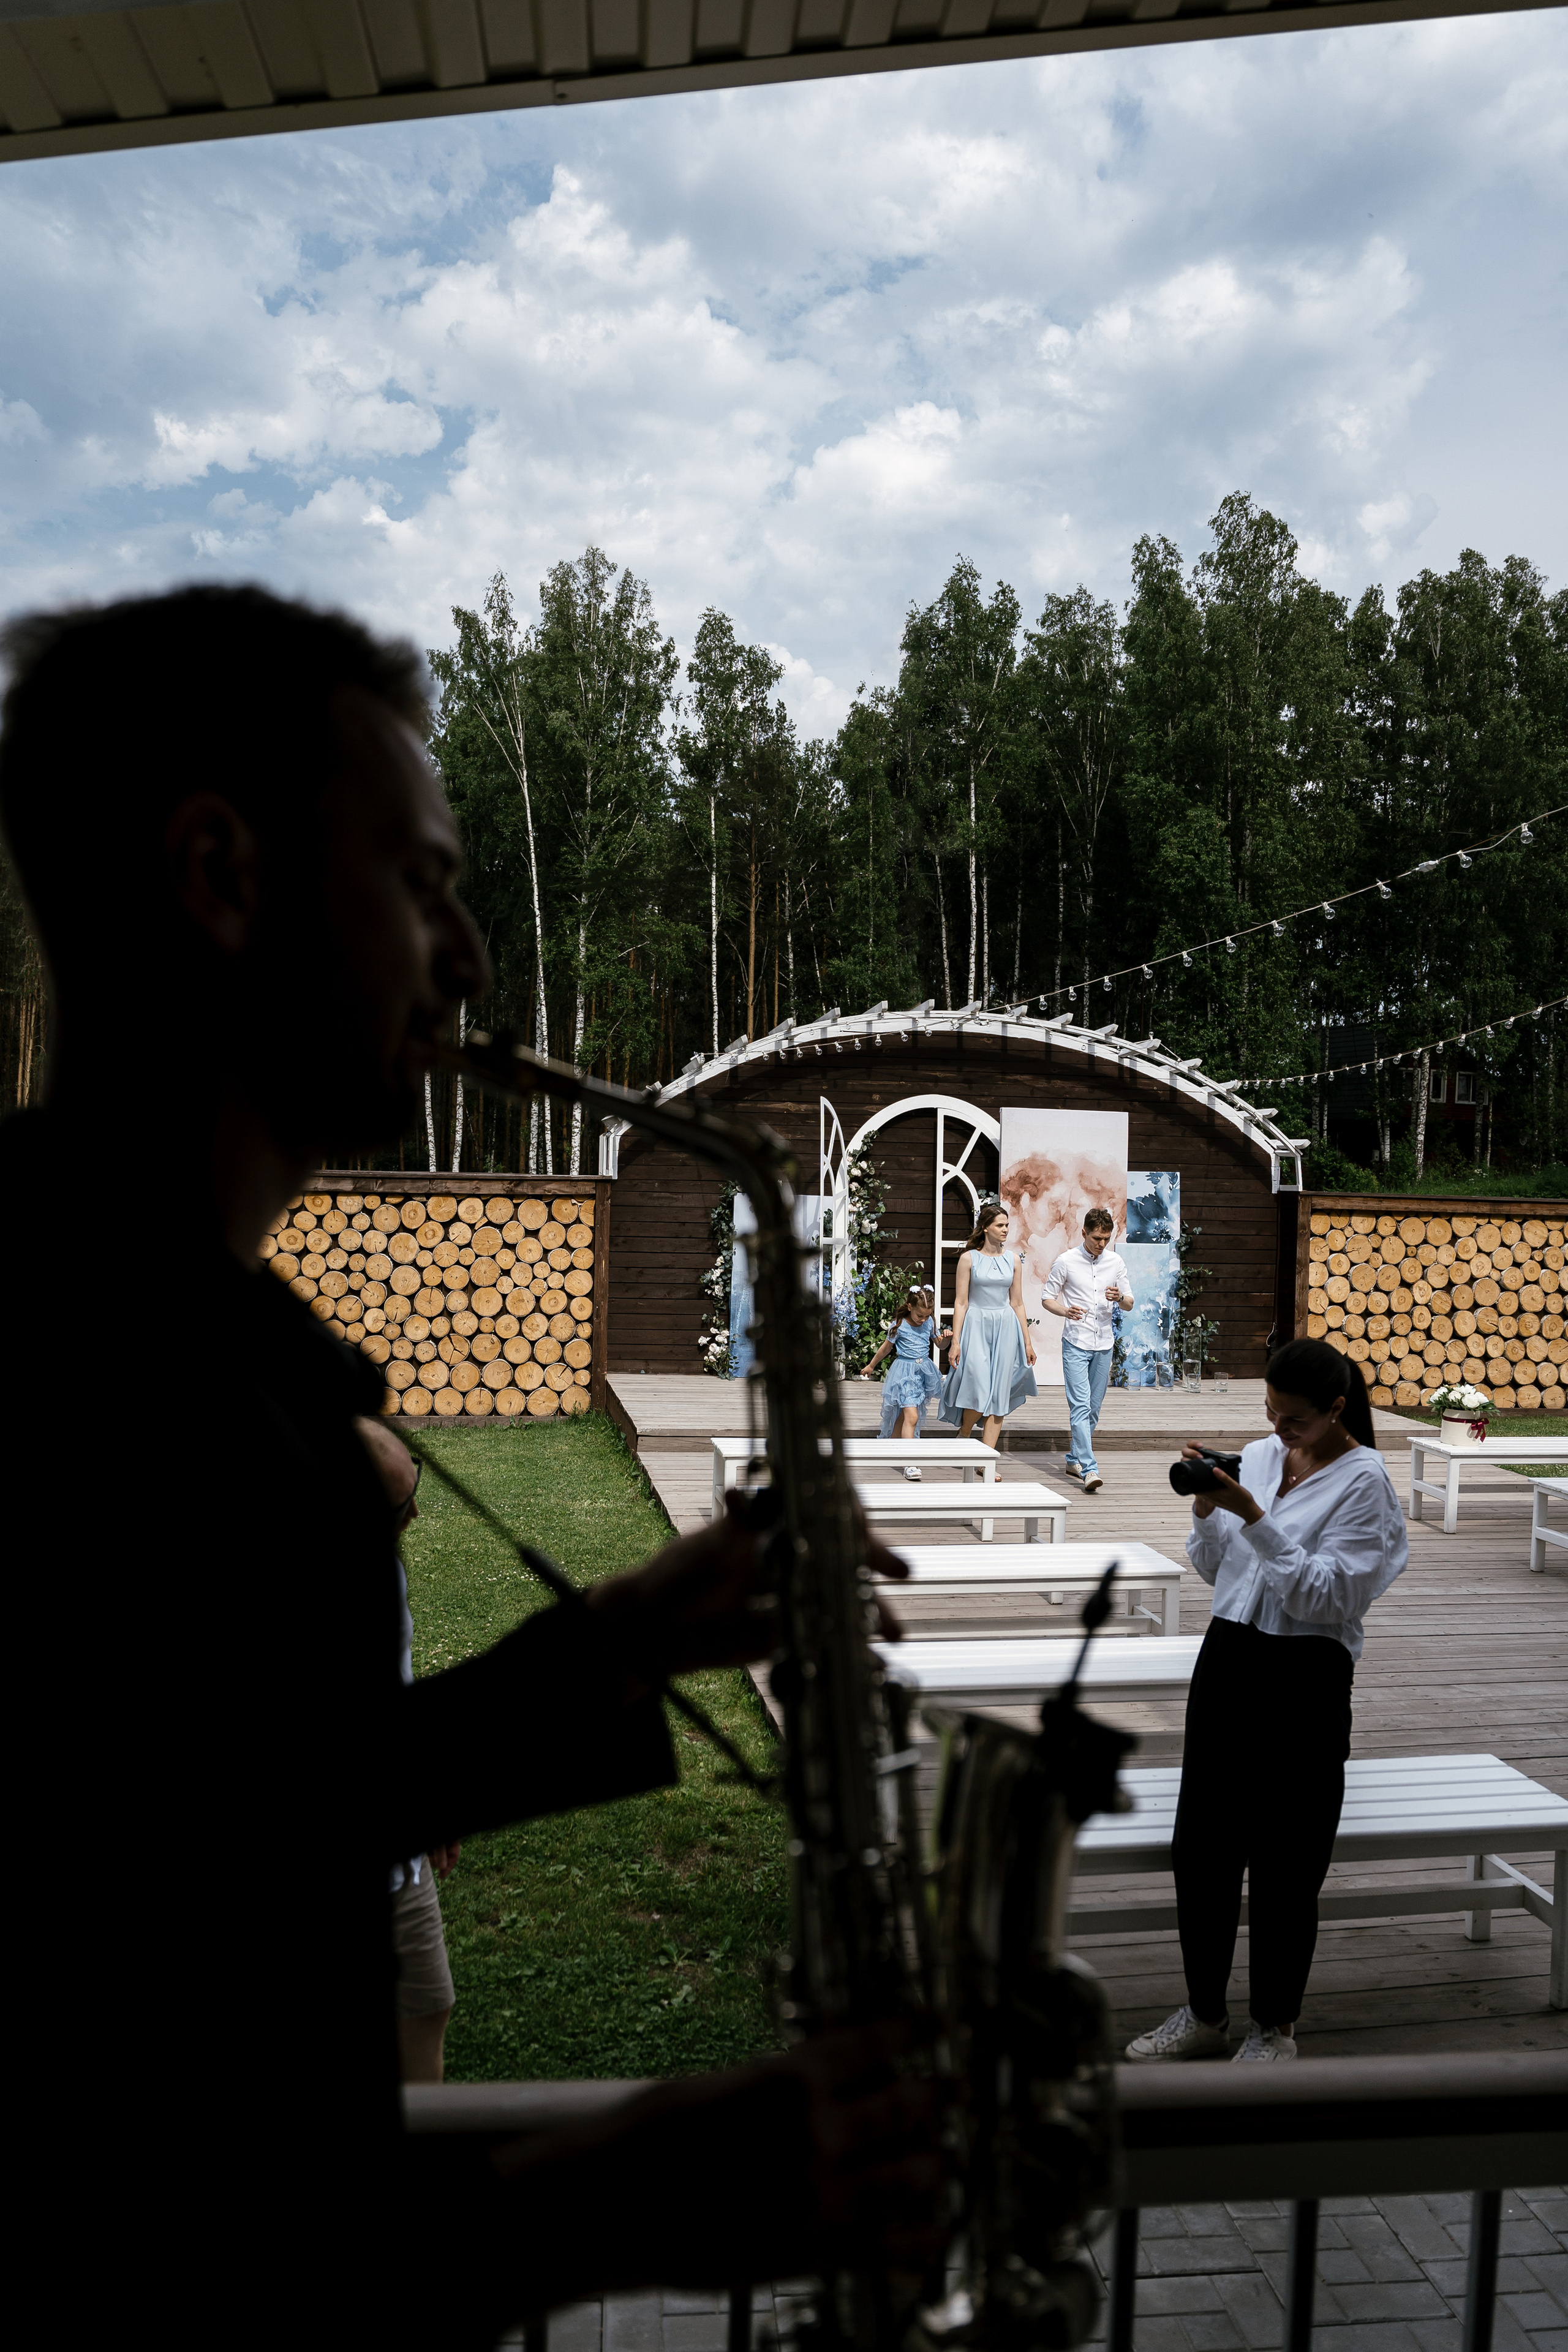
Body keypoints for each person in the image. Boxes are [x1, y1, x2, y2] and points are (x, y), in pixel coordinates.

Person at [1, 586, 941, 2348]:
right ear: (223, 873)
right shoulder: (80, 1390)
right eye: (424, 880)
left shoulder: (166, 1343)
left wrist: (627, 1633)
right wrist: (607, 2200)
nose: (473, 958)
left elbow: (235, 1811)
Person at [1125, 1339, 1408, 2067]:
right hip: (1227, 1659)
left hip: (1304, 1676)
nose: (1277, 1430)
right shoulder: (1255, 1455)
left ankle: (1274, 2027)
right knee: (1203, 1850)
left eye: (1292, 1420)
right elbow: (1216, 1566)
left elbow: (1328, 1597)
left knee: (1286, 1860)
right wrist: (1207, 1510)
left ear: (1336, 1411)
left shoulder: (1364, 1483)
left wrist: (1253, 1514)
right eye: (1270, 1413)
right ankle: (1204, 2013)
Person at [357, 1417, 462, 2084]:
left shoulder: (381, 1571)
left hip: (401, 1862)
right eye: (400, 1505)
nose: (416, 1513)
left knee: (426, 2009)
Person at [1041, 1207, 1133, 1493]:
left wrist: (1120, 1298)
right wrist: (1066, 1311)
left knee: (1093, 1410)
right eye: (1096, 1238)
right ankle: (1090, 1470)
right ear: (1084, 1233)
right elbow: (1047, 1299)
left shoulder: (1116, 1262)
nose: (1101, 1244)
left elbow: (1130, 1302)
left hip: (1104, 1344)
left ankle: (1073, 1459)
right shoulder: (1065, 1261)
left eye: (1106, 1238)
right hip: (1076, 1343)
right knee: (1080, 1406)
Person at [937, 1202, 1038, 1449]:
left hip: (1006, 1327)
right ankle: (964, 1434)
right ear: (985, 1228)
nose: (1005, 1230)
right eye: (1000, 1225)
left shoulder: (1014, 1260)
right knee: (977, 1385)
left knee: (999, 1393)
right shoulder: (968, 1259)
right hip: (976, 1325)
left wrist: (1027, 1343)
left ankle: (986, 1459)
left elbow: (1018, 1304)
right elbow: (961, 1302)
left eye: (1007, 1225)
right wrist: (956, 1341)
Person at [859, 1284, 943, 1479]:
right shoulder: (900, 1325)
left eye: (926, 1316)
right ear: (910, 1307)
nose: (923, 1320)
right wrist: (872, 1366)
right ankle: (910, 1462)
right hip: (904, 1374)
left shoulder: (929, 1322)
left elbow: (939, 1343)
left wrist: (947, 1338)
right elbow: (885, 1349)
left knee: (904, 1415)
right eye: (920, 1315)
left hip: (922, 1374)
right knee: (912, 1416)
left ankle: (892, 1445)